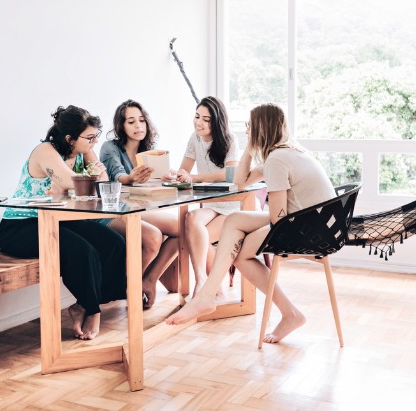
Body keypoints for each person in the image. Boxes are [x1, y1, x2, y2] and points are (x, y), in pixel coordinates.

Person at [166, 103, 335, 345]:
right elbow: (240, 182)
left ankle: (288, 313)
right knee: (234, 221)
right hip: (312, 224)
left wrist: (251, 145)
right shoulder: (286, 152)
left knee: (240, 253)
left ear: (260, 129)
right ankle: (207, 295)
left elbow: (278, 218)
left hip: (306, 230)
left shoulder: (278, 159)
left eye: (249, 126)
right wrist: (249, 148)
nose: (246, 130)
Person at [0, 105, 126, 340]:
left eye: (96, 136)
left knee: (113, 243)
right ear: (69, 138)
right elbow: (72, 182)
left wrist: (92, 166)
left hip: (58, 221)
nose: (94, 142)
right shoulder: (45, 151)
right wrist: (91, 174)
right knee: (83, 251)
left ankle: (86, 304)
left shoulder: (82, 152)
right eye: (89, 138)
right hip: (21, 227)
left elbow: (103, 184)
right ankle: (92, 310)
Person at [99, 99, 181, 309]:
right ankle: (127, 285)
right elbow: (118, 177)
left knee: (183, 227)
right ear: (121, 126)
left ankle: (150, 280)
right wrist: (131, 177)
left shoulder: (149, 152)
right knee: (153, 236)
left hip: (139, 208)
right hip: (117, 210)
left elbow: (152, 184)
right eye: (131, 121)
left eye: (142, 121)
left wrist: (167, 178)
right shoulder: (110, 148)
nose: (138, 126)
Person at [166, 96, 240, 299]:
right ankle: (202, 280)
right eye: (197, 116)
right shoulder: (195, 138)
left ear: (216, 121)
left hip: (230, 203)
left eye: (206, 119)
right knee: (191, 219)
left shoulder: (229, 139)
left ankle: (214, 285)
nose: (199, 122)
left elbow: (230, 174)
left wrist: (195, 178)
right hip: (210, 204)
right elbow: (185, 170)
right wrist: (175, 175)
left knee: (197, 236)